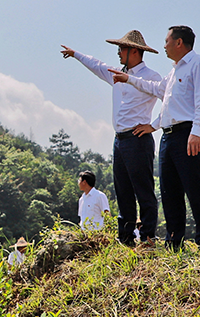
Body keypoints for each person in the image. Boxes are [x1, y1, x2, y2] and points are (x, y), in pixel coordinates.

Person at [110, 25, 200, 249]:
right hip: (168, 137)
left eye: (167, 41)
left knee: (195, 191)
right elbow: (157, 90)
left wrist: (197, 132)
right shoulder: (174, 72)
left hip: (187, 133)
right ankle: (174, 243)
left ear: (179, 42)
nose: (164, 46)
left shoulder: (199, 64)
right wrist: (129, 80)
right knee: (169, 193)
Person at [61, 30, 161, 245]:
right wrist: (76, 54)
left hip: (138, 138)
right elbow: (97, 65)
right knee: (123, 190)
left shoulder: (151, 77)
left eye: (122, 49)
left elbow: (170, 100)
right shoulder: (117, 74)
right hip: (120, 139)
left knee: (143, 190)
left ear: (134, 51)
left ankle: (148, 237)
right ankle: (125, 237)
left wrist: (153, 126)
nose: (118, 52)